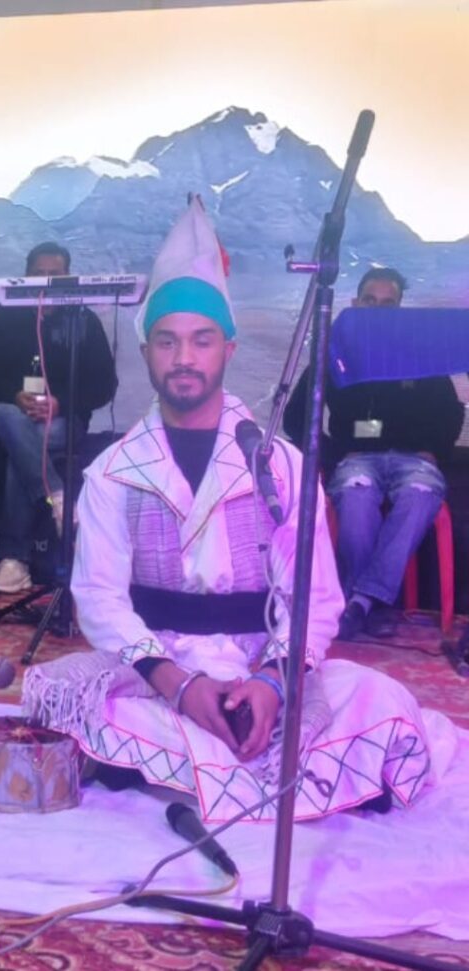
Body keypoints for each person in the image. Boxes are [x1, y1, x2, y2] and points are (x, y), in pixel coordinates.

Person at [24, 199, 447, 822]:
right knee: (58, 696)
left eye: (201, 341)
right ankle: (242, 767)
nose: (184, 358)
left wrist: (273, 681)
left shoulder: (283, 465)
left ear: (228, 348)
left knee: (379, 702)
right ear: (146, 352)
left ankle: (175, 766)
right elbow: (101, 599)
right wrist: (181, 686)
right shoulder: (112, 471)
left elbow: (314, 598)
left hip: (260, 664)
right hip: (156, 671)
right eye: (167, 341)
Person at [283, 268, 463, 639]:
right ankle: (370, 602)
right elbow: (295, 416)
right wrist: (330, 454)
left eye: (387, 304)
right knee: (356, 496)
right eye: (370, 301)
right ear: (355, 304)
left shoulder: (417, 353)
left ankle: (361, 600)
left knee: (420, 494)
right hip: (357, 461)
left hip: (414, 461)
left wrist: (435, 451)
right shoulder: (335, 353)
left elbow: (452, 411)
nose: (377, 310)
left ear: (398, 310)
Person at [0, 242, 117, 593]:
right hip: (15, 415)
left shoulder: (83, 320)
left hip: (64, 423)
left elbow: (104, 386)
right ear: (26, 276)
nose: (47, 281)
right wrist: (15, 396)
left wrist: (60, 404)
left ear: (68, 277)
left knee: (22, 452)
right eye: (39, 274)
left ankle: (14, 561)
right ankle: (60, 498)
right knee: (6, 414)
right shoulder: (6, 315)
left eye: (55, 274)